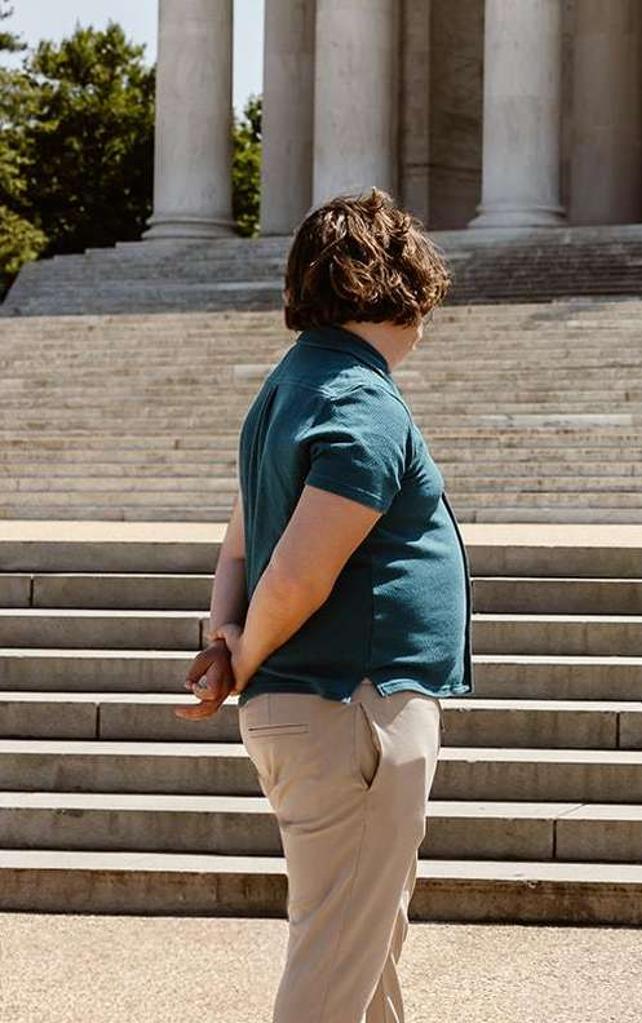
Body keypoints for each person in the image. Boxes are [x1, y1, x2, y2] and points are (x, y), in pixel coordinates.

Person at [178, 189, 468, 1023]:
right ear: (398, 288)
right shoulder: (358, 400)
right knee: (336, 967)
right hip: (354, 703)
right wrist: (243, 655)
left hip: (317, 706)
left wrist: (226, 641)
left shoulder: (288, 387)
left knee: (361, 953)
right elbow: (300, 575)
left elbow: (240, 545)